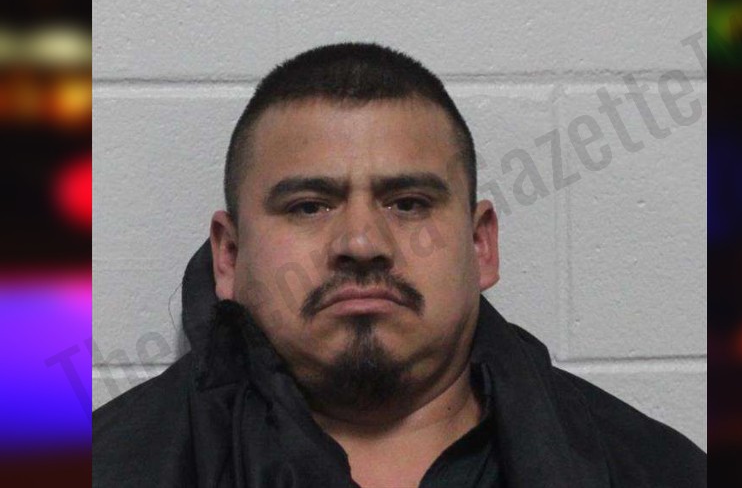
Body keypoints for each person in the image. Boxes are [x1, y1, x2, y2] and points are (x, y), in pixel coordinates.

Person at [92, 43, 706, 487]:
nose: (362, 242)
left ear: (481, 245)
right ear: (228, 256)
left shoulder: (656, 471)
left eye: (409, 203)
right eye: (308, 206)